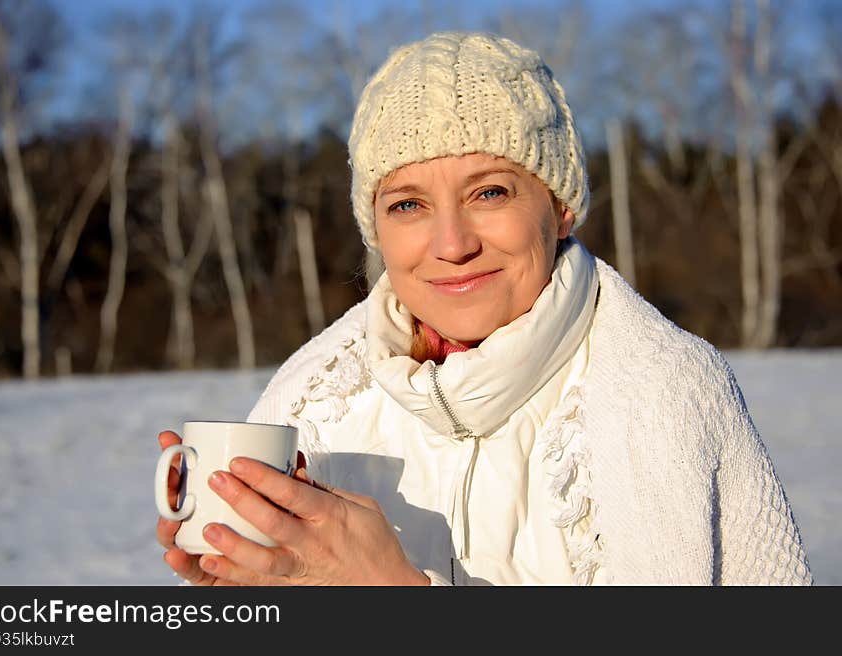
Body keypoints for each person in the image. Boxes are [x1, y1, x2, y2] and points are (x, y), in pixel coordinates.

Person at [156, 31, 812, 585]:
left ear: (559, 207)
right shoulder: (311, 401)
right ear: (376, 229)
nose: (452, 244)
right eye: (408, 205)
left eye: (490, 192)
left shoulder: (668, 393)